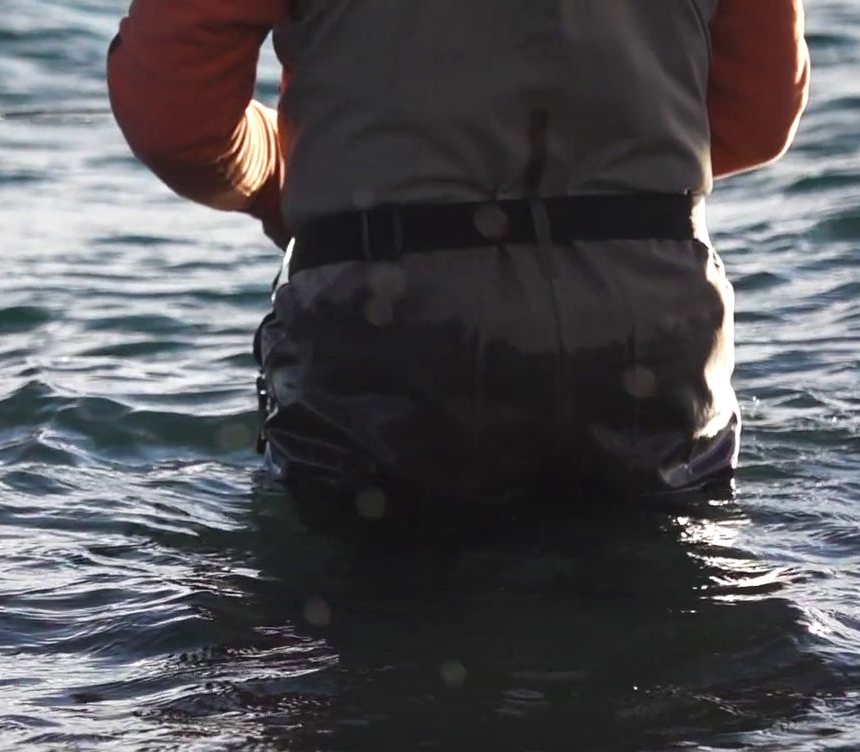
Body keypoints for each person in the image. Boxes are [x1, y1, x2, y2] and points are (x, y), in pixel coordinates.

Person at [108, 1, 809, 514]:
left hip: (397, 328)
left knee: (364, 657)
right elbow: (758, 112)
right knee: (663, 656)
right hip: (648, 331)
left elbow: (174, 115)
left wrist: (282, 180)